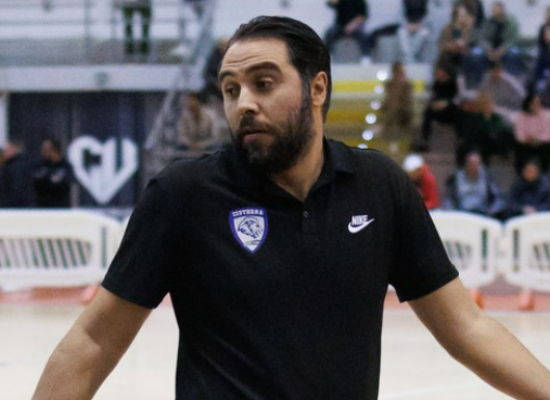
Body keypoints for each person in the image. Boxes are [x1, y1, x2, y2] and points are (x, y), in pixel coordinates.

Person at [31, 15, 550, 400]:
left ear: (317, 87)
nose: (243, 104)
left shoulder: (378, 186)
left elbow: (467, 328)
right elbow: (94, 341)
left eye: (263, 83)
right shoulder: (182, 194)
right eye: (230, 89)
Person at [444, 151, 506, 219]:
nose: (474, 167)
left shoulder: (487, 178)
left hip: (482, 213)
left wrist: (492, 210)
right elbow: (448, 199)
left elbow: (498, 198)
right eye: (471, 164)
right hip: (462, 213)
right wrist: (452, 212)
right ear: (466, 165)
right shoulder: (456, 178)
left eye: (477, 164)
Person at [419, 63, 460, 150]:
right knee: (428, 113)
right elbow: (433, 97)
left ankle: (459, 140)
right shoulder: (436, 84)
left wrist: (446, 103)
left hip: (450, 109)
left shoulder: (453, 83)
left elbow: (456, 98)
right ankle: (425, 140)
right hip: (437, 109)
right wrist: (435, 104)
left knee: (459, 114)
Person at [480, 1, 522, 79]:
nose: (493, 11)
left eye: (495, 9)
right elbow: (482, 38)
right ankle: (481, 81)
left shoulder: (511, 22)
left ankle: (511, 79)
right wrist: (489, 49)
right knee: (477, 53)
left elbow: (513, 39)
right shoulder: (488, 22)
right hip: (490, 49)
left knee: (514, 53)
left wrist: (502, 50)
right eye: (492, 9)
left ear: (502, 10)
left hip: (506, 49)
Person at [379, 62, 414, 155]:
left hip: (404, 111)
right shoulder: (389, 84)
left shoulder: (407, 85)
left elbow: (408, 101)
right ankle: (392, 140)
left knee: (394, 110)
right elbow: (388, 99)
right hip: (393, 112)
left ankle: (394, 140)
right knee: (393, 109)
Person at [478, 61, 525, 125]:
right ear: (489, 71)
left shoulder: (509, 81)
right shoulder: (485, 81)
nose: (495, 73)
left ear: (501, 70)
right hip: (492, 108)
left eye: (497, 70)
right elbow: (480, 96)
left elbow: (522, 96)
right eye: (493, 71)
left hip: (510, 109)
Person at [176, 91, 221, 157]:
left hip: (206, 144)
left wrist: (201, 145)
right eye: (188, 100)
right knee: (178, 148)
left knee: (217, 147)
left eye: (192, 100)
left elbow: (215, 136)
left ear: (198, 101)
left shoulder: (210, 114)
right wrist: (190, 144)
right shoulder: (185, 116)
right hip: (190, 145)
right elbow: (182, 135)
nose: (189, 103)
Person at [513, 94, 550, 173]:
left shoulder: (546, 115)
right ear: (528, 104)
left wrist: (536, 138)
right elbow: (519, 134)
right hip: (526, 143)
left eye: (538, 103)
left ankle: (543, 172)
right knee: (519, 147)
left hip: (541, 143)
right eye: (534, 103)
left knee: (546, 148)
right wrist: (527, 139)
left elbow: (548, 134)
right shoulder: (521, 116)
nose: (537, 106)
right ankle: (521, 172)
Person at [32, 138, 73, 208]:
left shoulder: (65, 166)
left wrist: (51, 181)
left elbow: (65, 183)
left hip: (60, 207)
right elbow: (37, 181)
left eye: (45, 149)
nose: (42, 152)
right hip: (42, 207)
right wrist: (50, 180)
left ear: (54, 150)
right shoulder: (41, 165)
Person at [0, 139, 33, 208]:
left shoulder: (16, 166)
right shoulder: (10, 165)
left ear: (13, 150)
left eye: (7, 150)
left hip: (16, 205)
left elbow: (17, 188)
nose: (3, 152)